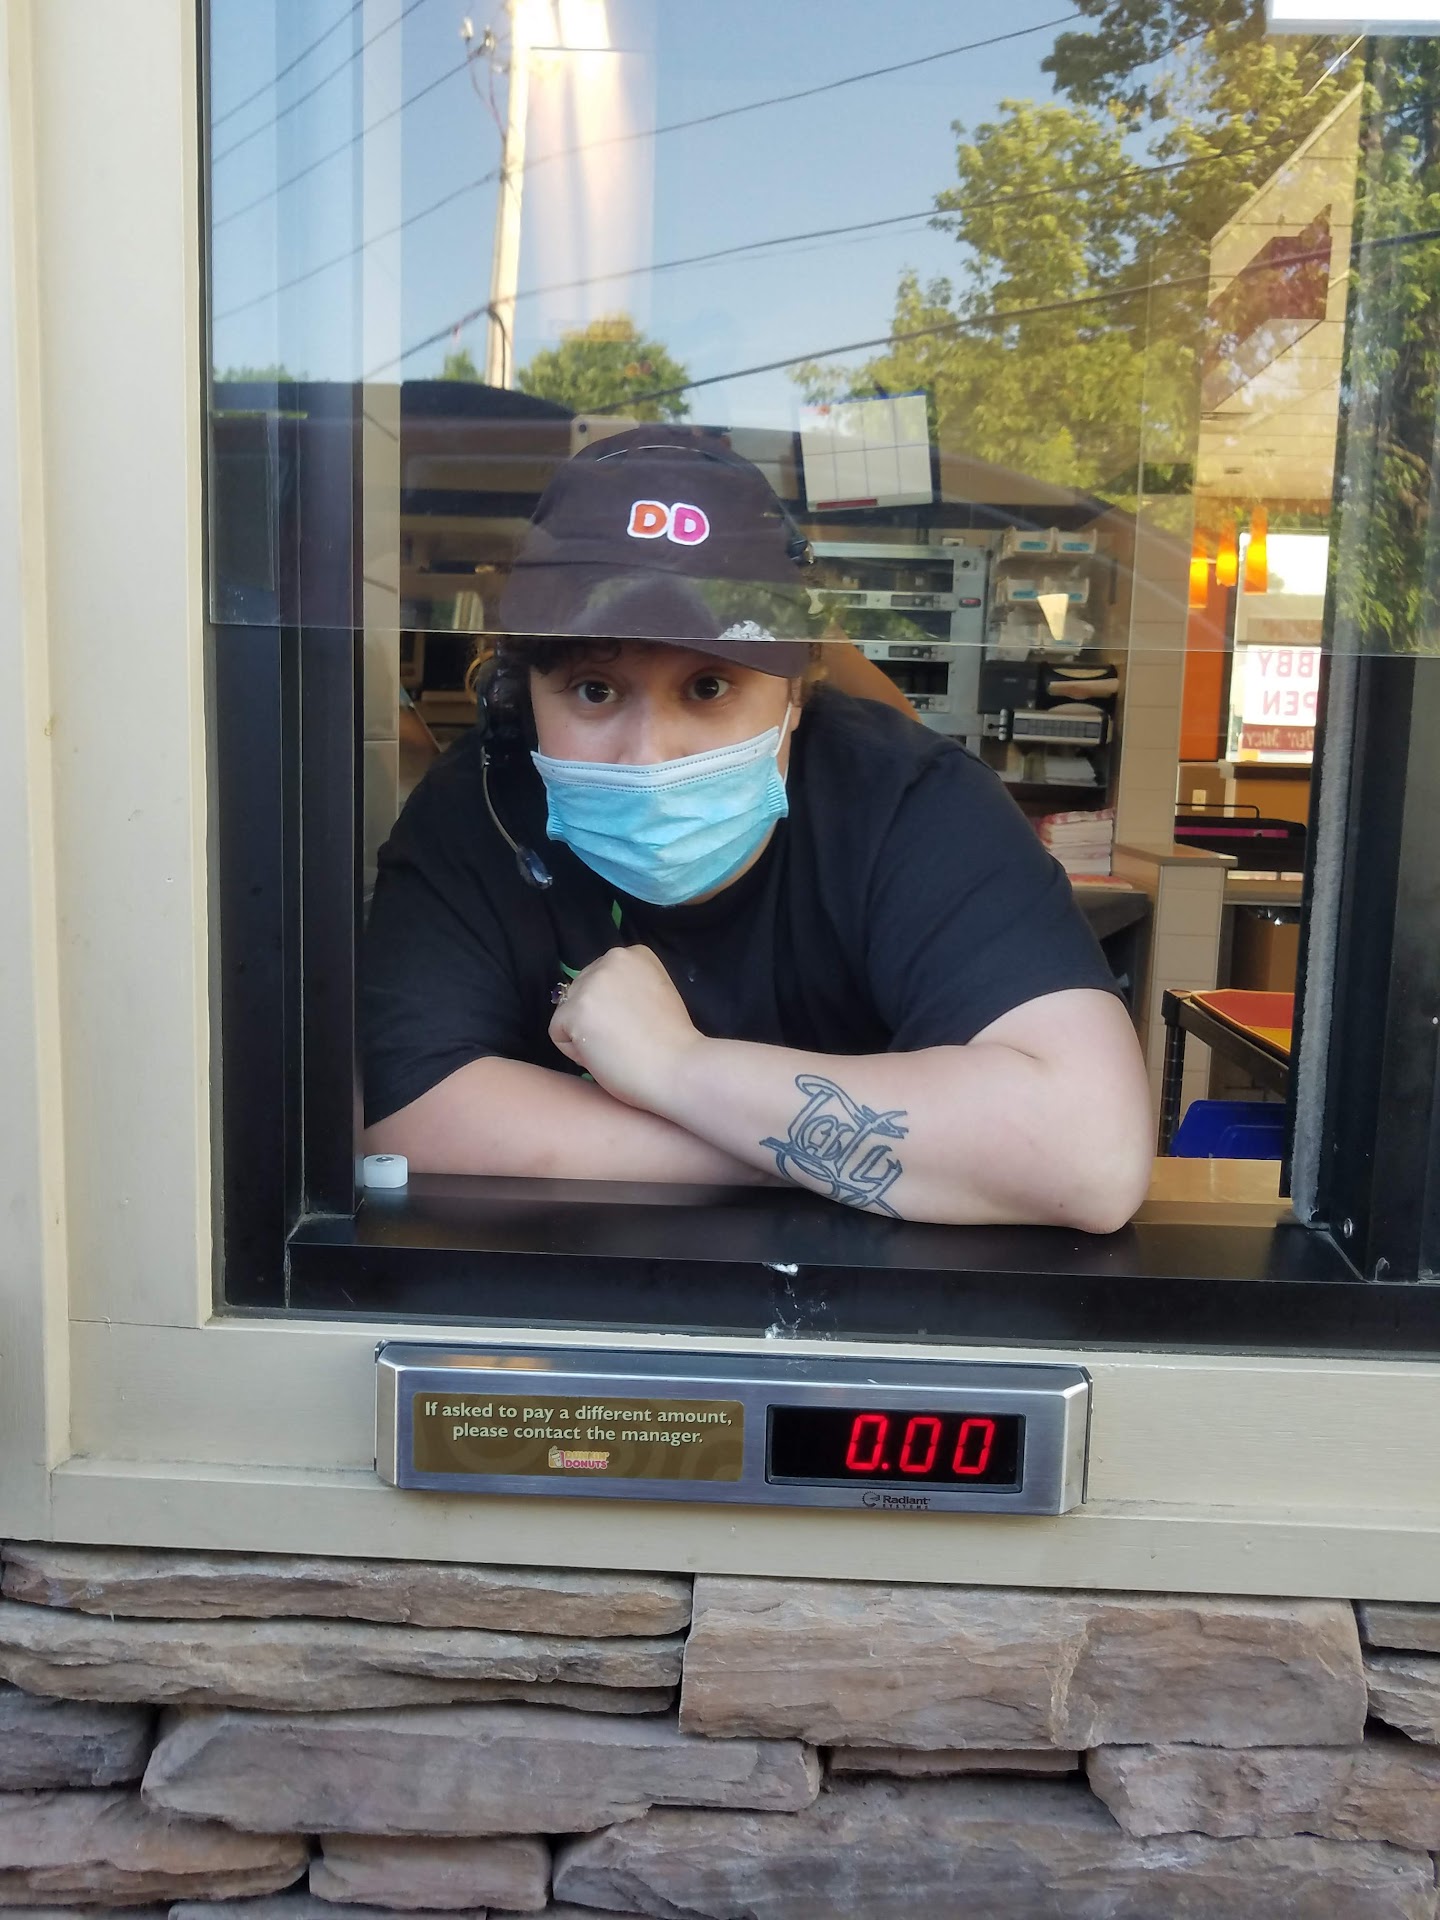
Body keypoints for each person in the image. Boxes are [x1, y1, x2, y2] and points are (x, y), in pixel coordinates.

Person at [362, 427, 1152, 1230]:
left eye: (708, 686)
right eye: (595, 690)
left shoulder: (907, 803)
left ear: (796, 690)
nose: (650, 753)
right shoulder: (477, 811)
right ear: (524, 693)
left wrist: (677, 1067)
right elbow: (405, 1119)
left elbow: (1089, 1157)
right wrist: (821, 1154)